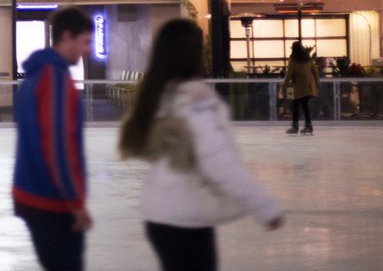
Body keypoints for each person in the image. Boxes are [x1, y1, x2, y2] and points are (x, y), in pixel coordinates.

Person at [119, 19, 283, 271]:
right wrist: (264, 206)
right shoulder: (194, 105)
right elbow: (221, 165)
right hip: (184, 221)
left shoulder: (159, 97)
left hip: (161, 217)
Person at [13, 6, 93, 271]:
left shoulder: (35, 76)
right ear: (66, 36)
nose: (87, 51)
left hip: (34, 193)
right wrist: (75, 202)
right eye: (84, 42)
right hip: (51, 200)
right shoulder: (54, 79)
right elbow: (58, 146)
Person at [282, 40, 320, 135]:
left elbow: (289, 74)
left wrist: (284, 87)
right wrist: (317, 83)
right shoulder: (308, 58)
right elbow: (315, 71)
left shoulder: (293, 59)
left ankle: (295, 126)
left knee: (296, 105)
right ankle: (308, 126)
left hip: (299, 87)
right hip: (309, 86)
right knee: (304, 105)